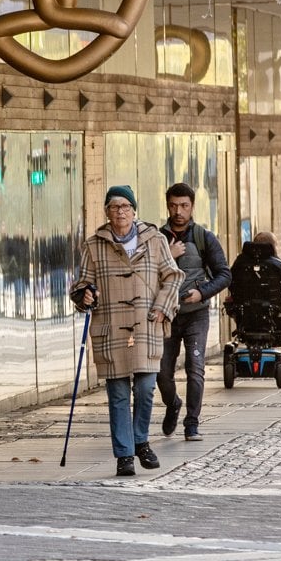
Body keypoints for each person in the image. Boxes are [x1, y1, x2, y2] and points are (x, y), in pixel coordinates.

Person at [73, 185, 182, 476]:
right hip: (111, 328)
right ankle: (124, 455)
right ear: (107, 212)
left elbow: (173, 276)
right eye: (113, 207)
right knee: (118, 394)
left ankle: (140, 441)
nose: (119, 212)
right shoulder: (94, 244)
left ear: (134, 210)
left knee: (146, 388)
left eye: (124, 206)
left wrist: (162, 307)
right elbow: (82, 284)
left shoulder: (155, 239)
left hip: (147, 323)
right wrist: (84, 295)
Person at [157, 182, 231, 442]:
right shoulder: (156, 238)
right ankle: (173, 404)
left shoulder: (203, 237)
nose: (179, 211)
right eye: (174, 205)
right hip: (165, 315)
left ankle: (192, 423)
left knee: (195, 367)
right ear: (167, 205)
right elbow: (142, 274)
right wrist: (167, 252)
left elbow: (224, 274)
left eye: (184, 206)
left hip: (196, 313)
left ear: (192, 207)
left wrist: (203, 292)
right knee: (161, 371)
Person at [227, 230, 281, 335]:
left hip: (245, 313)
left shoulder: (240, 262)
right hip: (273, 313)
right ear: (273, 246)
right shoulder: (279, 264)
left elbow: (230, 283)